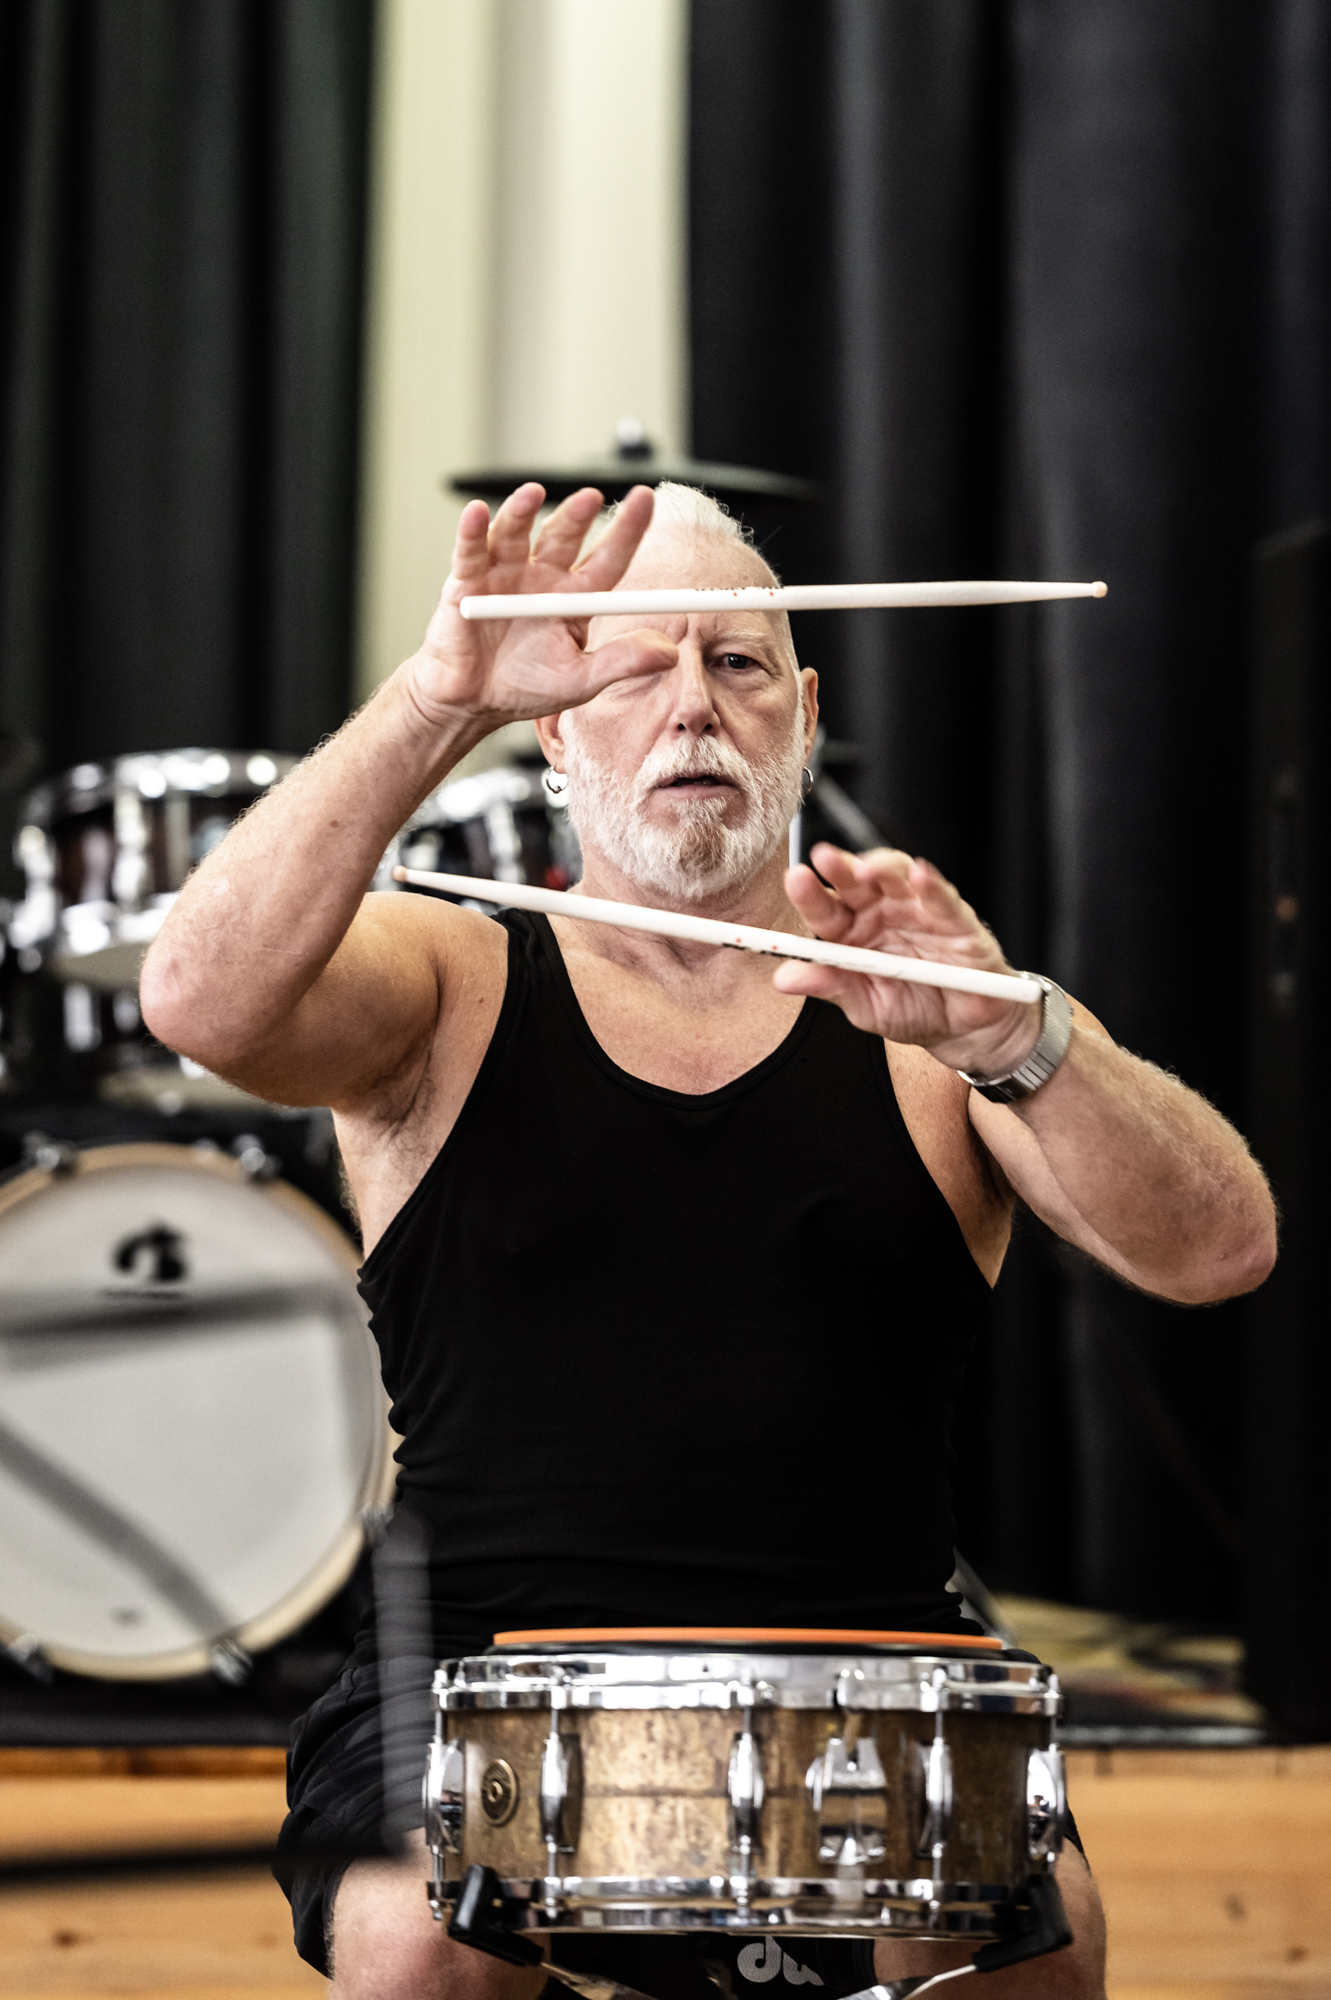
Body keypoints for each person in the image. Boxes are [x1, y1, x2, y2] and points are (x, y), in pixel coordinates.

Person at [141, 480, 1276, 2000]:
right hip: (482, 1669)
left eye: (738, 663)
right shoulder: (447, 975)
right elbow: (199, 1005)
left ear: (805, 713)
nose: (693, 704)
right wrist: (436, 700)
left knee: (1029, 1942)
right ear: (555, 733)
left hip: (876, 1674)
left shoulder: (934, 1007)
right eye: (633, 668)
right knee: (420, 1938)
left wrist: (1019, 1038)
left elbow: (1223, 1251)